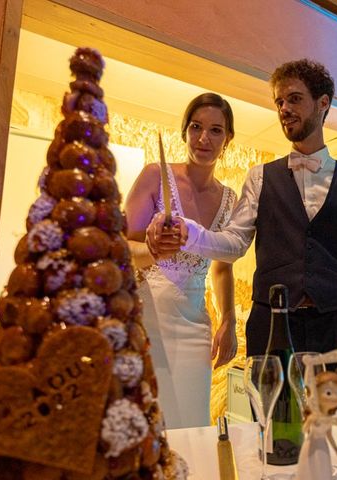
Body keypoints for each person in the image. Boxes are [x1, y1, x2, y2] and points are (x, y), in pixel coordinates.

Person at [147, 59, 337, 386]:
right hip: (271, 329)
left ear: (323, 104)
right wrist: (189, 233)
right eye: (279, 101)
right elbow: (234, 244)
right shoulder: (260, 177)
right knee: (273, 432)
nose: (284, 109)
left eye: (294, 99)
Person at [125, 92, 238, 428]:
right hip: (147, 320)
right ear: (185, 131)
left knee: (191, 426)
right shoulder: (154, 176)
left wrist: (229, 320)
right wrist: (154, 251)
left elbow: (222, 267)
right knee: (146, 423)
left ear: (227, 139)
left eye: (216, 130)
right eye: (196, 127)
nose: (204, 138)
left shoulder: (230, 199)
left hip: (194, 326)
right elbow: (121, 249)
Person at [296, 371, 337, 480]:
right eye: (328, 393)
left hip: (323, 446)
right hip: (311, 446)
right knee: (310, 470)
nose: (335, 398)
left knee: (322, 469)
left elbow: (329, 435)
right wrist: (310, 420)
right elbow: (304, 430)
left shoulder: (329, 418)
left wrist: (336, 449)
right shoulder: (314, 416)